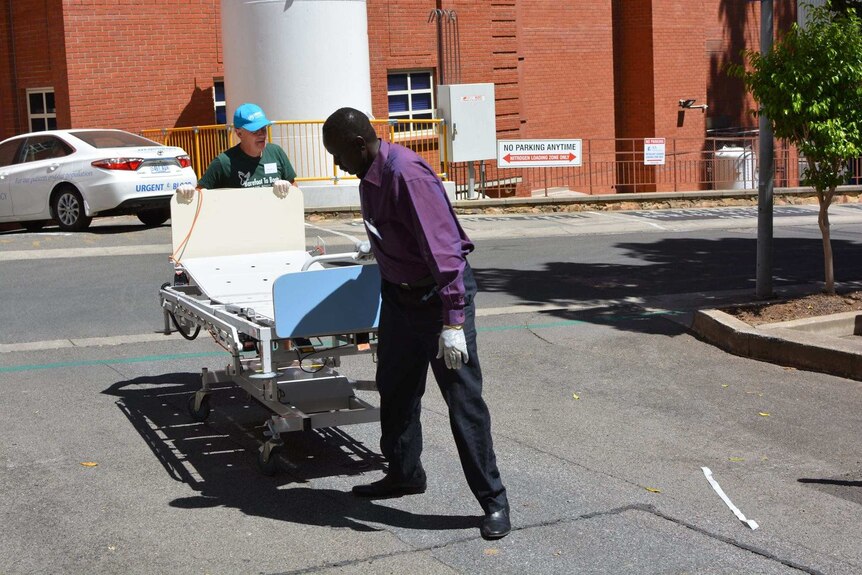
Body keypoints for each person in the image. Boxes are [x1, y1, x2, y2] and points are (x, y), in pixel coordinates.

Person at [322, 107, 511, 540]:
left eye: (337, 154)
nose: (336, 164)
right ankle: (405, 473)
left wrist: (453, 322)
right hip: (399, 298)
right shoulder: (368, 175)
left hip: (437, 299)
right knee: (396, 388)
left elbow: (444, 254)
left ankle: (494, 500)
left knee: (463, 403)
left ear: (358, 145)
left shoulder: (406, 175)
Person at [194, 102, 296, 191]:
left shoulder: (276, 152)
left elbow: (294, 188)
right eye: (255, 130)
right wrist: (188, 194)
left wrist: (288, 189)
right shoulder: (223, 162)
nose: (262, 135)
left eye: (263, 129)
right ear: (239, 133)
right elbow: (200, 193)